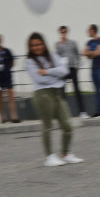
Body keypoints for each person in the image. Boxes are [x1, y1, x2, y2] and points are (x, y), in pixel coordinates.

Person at [24, 32, 82, 167]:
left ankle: (66, 154)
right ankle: (49, 156)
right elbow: (40, 79)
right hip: (42, 95)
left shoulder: (53, 56)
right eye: (32, 45)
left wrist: (47, 71)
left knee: (68, 125)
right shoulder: (30, 61)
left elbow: (65, 71)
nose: (36, 47)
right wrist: (56, 75)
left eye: (38, 44)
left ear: (43, 44)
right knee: (47, 126)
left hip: (57, 94)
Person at [55, 25, 85, 116]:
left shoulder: (73, 43)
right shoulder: (58, 44)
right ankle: (64, 114)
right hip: (63, 70)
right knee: (62, 92)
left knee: (77, 91)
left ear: (67, 32)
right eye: (62, 32)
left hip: (72, 69)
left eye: (64, 32)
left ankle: (82, 112)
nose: (63, 34)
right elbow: (57, 58)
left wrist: (78, 66)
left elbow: (78, 55)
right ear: (60, 33)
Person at [0, 34, 19, 123]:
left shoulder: (7, 51)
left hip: (7, 75)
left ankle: (14, 116)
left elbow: (12, 62)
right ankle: (3, 117)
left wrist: (7, 68)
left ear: (2, 40)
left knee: (11, 95)